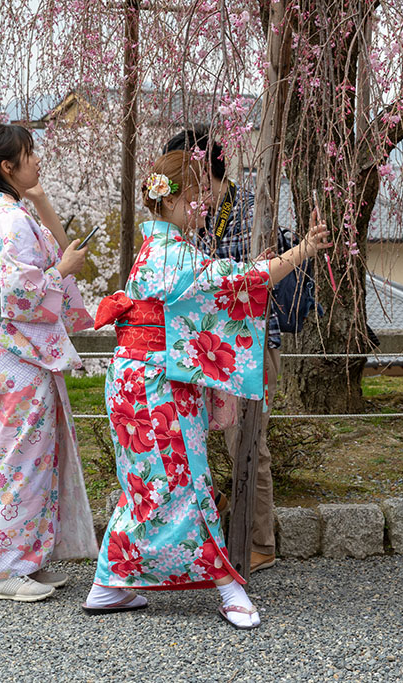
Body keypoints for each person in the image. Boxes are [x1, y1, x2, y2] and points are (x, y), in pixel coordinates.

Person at [84, 150, 331, 629]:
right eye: (197, 196)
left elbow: (215, 286)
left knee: (149, 486)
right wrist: (301, 250)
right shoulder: (173, 252)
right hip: (156, 386)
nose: (204, 205)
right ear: (172, 199)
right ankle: (227, 588)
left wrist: (257, 269)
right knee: (184, 483)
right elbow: (240, 281)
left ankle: (109, 583)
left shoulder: (155, 248)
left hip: (137, 380)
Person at [0, 123, 98, 602]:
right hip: (19, 351)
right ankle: (5, 571)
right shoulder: (8, 220)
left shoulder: (5, 214)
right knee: (20, 457)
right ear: (8, 167)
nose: (37, 159)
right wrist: (61, 271)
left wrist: (41, 204)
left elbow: (29, 276)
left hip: (18, 350)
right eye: (30, 153)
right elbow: (21, 292)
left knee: (32, 456)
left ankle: (27, 561)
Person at [163, 126, 291, 573]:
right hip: (199, 344)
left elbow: (258, 278)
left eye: (180, 172)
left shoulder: (253, 212)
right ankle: (213, 506)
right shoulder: (184, 215)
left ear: (200, 170)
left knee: (247, 443)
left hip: (247, 344)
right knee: (183, 435)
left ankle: (259, 543)